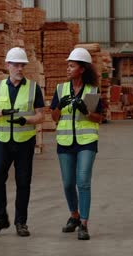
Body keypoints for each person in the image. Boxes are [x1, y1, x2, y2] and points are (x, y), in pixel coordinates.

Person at [0, 47, 46, 237]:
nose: (20, 68)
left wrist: (26, 120)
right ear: (7, 65)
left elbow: (41, 116)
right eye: (16, 65)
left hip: (24, 142)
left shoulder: (33, 88)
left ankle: (21, 222)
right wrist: (2, 112)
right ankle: (1, 218)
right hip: (3, 141)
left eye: (22, 65)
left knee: (23, 182)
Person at [50, 47, 105, 240]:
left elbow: (97, 119)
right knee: (67, 183)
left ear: (82, 69)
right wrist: (59, 106)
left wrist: (86, 112)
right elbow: (54, 117)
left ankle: (84, 223)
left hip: (86, 142)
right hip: (65, 142)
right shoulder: (60, 89)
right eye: (68, 65)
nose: (68, 68)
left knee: (82, 181)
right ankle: (74, 215)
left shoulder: (91, 91)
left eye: (71, 66)